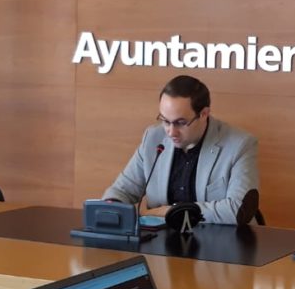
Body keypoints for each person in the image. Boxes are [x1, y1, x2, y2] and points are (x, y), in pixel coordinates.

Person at [102, 75, 259, 225]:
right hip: (160, 242)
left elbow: (238, 209)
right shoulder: (153, 137)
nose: (171, 131)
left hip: (220, 243)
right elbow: (123, 190)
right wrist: (112, 206)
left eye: (180, 123)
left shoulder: (240, 144)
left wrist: (171, 211)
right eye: (165, 121)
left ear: (204, 114)